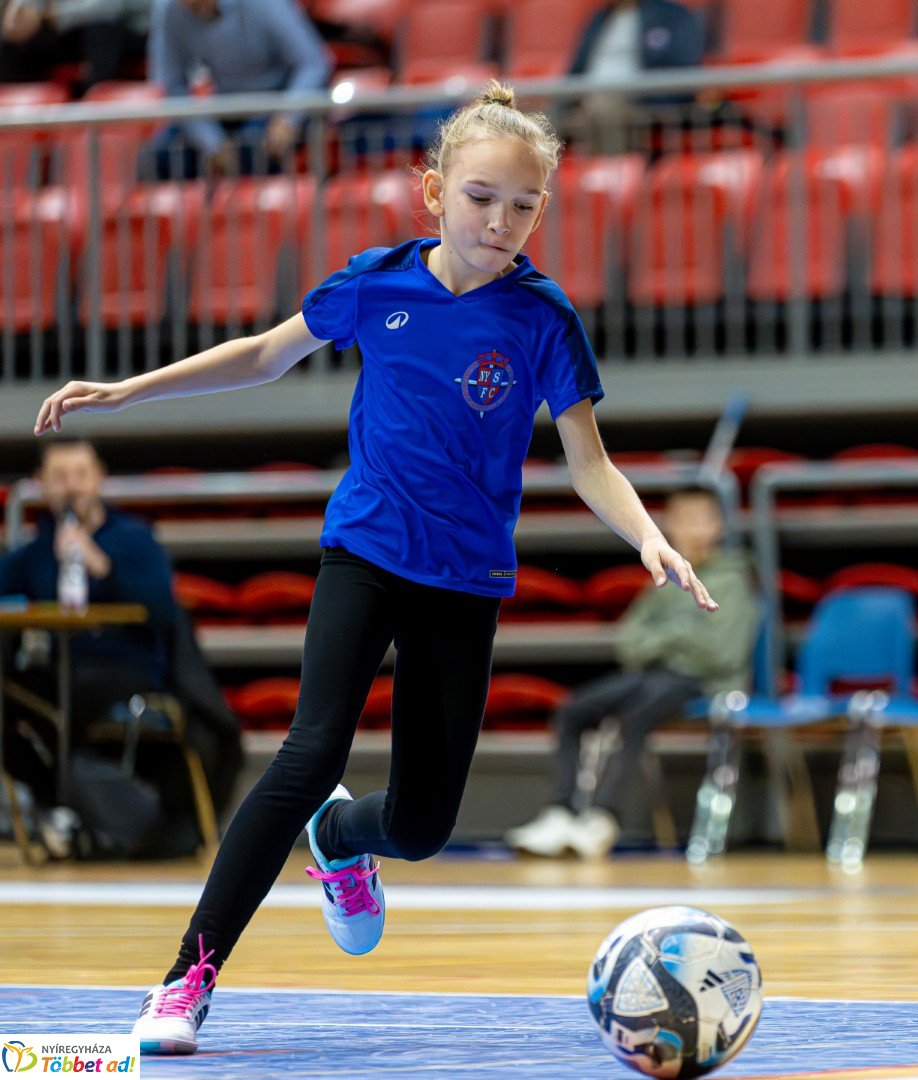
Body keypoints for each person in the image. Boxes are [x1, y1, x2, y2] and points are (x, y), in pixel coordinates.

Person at [33, 79, 717, 1055]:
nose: (502, 220)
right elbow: (266, 354)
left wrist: (646, 534)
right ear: (432, 190)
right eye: (481, 197)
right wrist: (127, 392)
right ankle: (187, 978)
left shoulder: (542, 319)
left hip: (467, 578)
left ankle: (344, 842)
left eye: (525, 206)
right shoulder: (376, 283)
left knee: (425, 823)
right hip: (367, 548)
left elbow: (588, 459)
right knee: (308, 752)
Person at [507, 486, 756, 859]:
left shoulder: (735, 579)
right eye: (682, 520)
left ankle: (603, 820)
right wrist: (678, 638)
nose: (691, 529)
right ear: (668, 525)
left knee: (632, 717)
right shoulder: (666, 576)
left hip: (703, 682)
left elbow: (719, 653)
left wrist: (665, 639)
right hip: (653, 675)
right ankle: (561, 811)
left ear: (718, 525)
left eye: (700, 519)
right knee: (574, 709)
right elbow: (630, 643)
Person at [0, 438, 181, 850]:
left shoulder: (134, 539)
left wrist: (99, 563)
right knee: (12, 698)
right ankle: (58, 807)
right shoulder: (38, 551)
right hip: (65, 671)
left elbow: (163, 610)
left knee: (64, 699)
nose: (71, 488)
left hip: (126, 671)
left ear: (99, 478)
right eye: (59, 477)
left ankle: (91, 811)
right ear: (41, 484)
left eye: (80, 476)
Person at [141, 0, 331, 180]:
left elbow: (313, 63)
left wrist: (289, 118)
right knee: (158, 156)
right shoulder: (168, 8)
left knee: (254, 147)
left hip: (279, 99)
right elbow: (172, 86)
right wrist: (211, 142)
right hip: (226, 106)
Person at [567, 0, 706, 148]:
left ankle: (613, 167)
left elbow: (684, 68)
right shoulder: (599, 19)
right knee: (542, 119)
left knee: (603, 106)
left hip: (644, 102)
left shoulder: (672, 15)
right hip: (589, 100)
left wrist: (650, 98)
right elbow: (577, 69)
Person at [0, 0, 148, 89]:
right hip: (70, 32)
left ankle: (95, 111)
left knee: (101, 34)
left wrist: (50, 16)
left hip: (129, 31)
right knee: (9, 49)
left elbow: (110, 7)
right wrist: (19, 17)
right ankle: (19, 115)